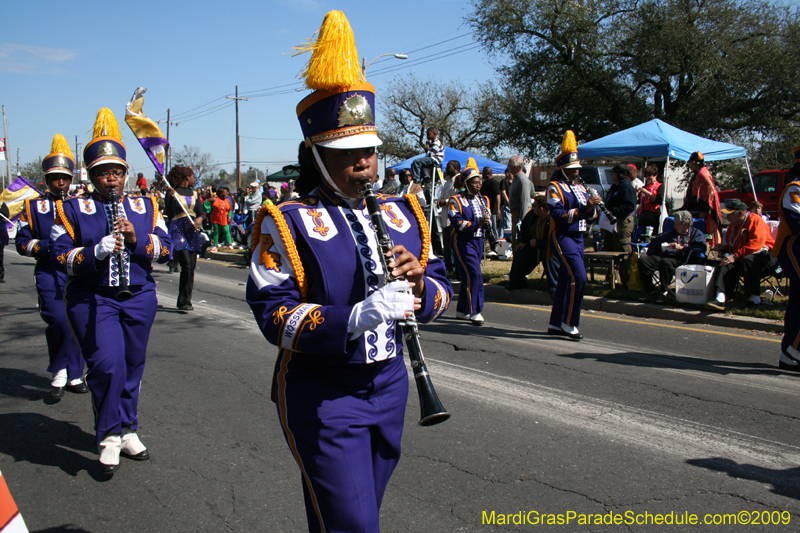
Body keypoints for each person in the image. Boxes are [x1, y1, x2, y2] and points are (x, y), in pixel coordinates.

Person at [247, 11, 452, 532]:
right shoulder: (284, 223)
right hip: (323, 393)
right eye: (347, 153)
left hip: (390, 386)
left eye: (370, 151)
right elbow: (274, 316)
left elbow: (445, 289)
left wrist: (421, 286)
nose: (364, 163)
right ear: (315, 156)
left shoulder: (405, 212)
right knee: (355, 525)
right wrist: (354, 317)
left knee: (345, 518)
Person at [51, 108, 172, 474]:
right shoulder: (71, 209)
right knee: (107, 364)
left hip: (138, 296)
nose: (112, 180)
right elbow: (59, 255)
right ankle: (109, 435)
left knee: (132, 365)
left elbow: (166, 249)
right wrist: (94, 252)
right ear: (91, 177)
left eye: (117, 172)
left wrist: (138, 241)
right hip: (92, 298)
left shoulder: (145, 205)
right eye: (104, 173)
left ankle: (128, 426)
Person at [14, 135, 86, 398]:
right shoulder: (32, 208)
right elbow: (23, 243)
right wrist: (49, 248)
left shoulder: (81, 205)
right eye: (55, 178)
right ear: (46, 180)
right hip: (49, 271)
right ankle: (59, 370)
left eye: (65, 178)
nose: (61, 183)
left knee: (78, 321)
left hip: (77, 270)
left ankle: (75, 373)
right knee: (58, 319)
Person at [547, 130, 600, 340]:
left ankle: (555, 323)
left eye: (577, 169)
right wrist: (584, 210)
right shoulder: (555, 187)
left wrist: (594, 207)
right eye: (571, 170)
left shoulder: (581, 188)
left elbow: (590, 216)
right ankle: (570, 323)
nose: (576, 173)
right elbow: (558, 215)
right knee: (579, 278)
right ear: (563, 170)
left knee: (565, 279)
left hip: (579, 237)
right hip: (563, 236)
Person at [705, 199, 777, 311]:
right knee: (726, 262)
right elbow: (734, 244)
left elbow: (756, 243)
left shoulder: (755, 220)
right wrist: (723, 247)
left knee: (748, 260)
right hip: (743, 256)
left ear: (740, 213)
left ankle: (755, 299)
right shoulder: (733, 225)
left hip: (765, 256)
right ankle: (720, 298)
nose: (727, 218)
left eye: (729, 215)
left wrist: (735, 255)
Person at [448, 167, 490, 325]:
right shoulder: (456, 200)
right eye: (474, 182)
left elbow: (488, 219)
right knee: (475, 274)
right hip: (463, 241)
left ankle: (462, 310)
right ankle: (475, 310)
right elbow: (456, 221)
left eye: (479, 182)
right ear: (466, 183)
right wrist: (476, 224)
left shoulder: (483, 200)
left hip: (479, 241)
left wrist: (487, 223)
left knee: (469, 275)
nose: (478, 185)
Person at [637, 210, 706, 303]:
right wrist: (665, 245)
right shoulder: (672, 233)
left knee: (665, 262)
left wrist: (681, 248)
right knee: (643, 261)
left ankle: (663, 291)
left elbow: (701, 247)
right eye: (675, 223)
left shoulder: (696, 234)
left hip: (681, 259)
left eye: (677, 224)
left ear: (686, 224)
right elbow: (655, 241)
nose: (675, 226)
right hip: (664, 256)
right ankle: (649, 289)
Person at [772, 150, 800, 371]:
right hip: (794, 246)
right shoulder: (795, 188)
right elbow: (795, 221)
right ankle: (793, 350)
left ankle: (791, 352)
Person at [164, 165, 205, 311]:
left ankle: (186, 300)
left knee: (191, 268)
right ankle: (182, 300)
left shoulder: (194, 194)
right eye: (194, 177)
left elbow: (202, 213)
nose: (195, 180)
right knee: (186, 265)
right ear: (187, 177)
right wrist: (170, 197)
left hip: (192, 231)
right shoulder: (172, 192)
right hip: (178, 230)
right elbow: (169, 213)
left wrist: (200, 219)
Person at [507, 195, 559, 296]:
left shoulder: (554, 218)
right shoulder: (532, 216)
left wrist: (539, 242)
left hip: (550, 247)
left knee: (548, 255)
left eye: (534, 206)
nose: (532, 208)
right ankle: (516, 283)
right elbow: (525, 227)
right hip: (534, 245)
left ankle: (555, 288)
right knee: (521, 253)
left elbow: (556, 240)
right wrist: (524, 242)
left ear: (542, 208)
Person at [601, 164, 637, 285]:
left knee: (622, 249)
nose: (611, 175)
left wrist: (614, 212)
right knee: (609, 248)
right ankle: (610, 277)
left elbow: (630, 206)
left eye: (613, 173)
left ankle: (626, 280)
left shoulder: (626, 187)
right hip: (610, 223)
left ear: (619, 175)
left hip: (622, 222)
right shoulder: (614, 187)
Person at [683, 151, 722, 246]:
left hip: (702, 213)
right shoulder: (699, 173)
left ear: (695, 162)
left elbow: (709, 195)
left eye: (690, 162)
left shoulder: (702, 174)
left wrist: (706, 211)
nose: (688, 164)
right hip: (697, 210)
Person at [507, 155, 531, 247]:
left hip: (520, 215)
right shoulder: (516, 179)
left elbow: (524, 202)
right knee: (514, 240)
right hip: (515, 214)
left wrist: (522, 223)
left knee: (518, 240)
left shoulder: (523, 180)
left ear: (515, 167)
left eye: (509, 165)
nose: (508, 167)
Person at [637, 164, 666, 233]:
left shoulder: (660, 186)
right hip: (643, 214)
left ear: (655, 175)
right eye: (646, 176)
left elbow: (658, 200)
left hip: (654, 215)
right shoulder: (645, 187)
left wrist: (647, 193)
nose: (648, 178)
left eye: (650, 175)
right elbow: (638, 201)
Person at [480, 166, 501, 252]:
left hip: (492, 210)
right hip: (485, 210)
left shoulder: (494, 182)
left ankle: (496, 249)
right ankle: (488, 249)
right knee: (487, 230)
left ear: (487, 173)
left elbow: (498, 195)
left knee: (493, 229)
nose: (482, 174)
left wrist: (498, 209)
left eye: (483, 172)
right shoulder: (485, 184)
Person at [209, 186, 233, 251]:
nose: (226, 194)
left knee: (226, 231)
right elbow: (206, 203)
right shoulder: (215, 199)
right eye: (225, 192)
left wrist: (229, 216)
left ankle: (230, 244)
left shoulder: (227, 200)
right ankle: (215, 245)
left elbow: (230, 209)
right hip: (215, 218)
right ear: (221, 193)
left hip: (224, 218)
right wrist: (208, 210)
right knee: (216, 232)